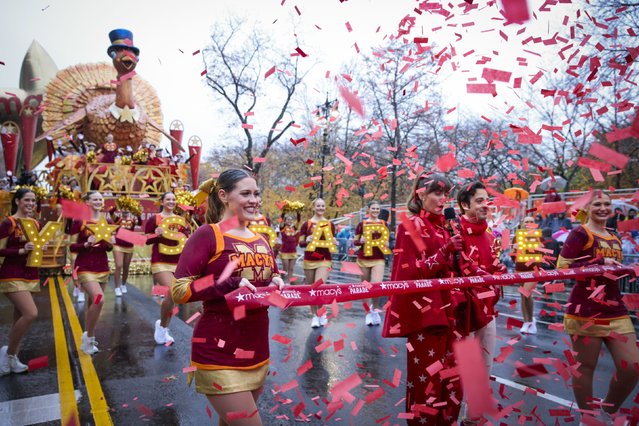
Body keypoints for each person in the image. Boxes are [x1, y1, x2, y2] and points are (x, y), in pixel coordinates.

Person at [171, 169, 284, 426]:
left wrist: (275, 282)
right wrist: (227, 283)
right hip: (218, 352)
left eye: (256, 193)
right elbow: (179, 291)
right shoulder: (208, 235)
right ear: (223, 196)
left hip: (256, 351)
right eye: (245, 193)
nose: (254, 200)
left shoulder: (262, 240)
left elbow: (264, 281)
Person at [381, 173, 463, 425]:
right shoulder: (410, 225)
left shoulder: (445, 225)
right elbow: (411, 273)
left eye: (445, 193)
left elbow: (457, 267)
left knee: (452, 382)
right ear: (420, 195)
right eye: (437, 193)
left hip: (451, 313)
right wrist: (445, 251)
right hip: (427, 317)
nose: (442, 199)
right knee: (427, 382)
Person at [557, 191, 638, 423]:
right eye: (597, 204)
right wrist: (598, 262)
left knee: (632, 367)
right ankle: (587, 418)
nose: (603, 208)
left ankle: (608, 411)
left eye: (606, 204)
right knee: (586, 368)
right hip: (586, 310)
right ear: (587, 208)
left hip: (615, 309)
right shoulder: (579, 232)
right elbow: (563, 267)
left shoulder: (614, 235)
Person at [0, 188, 43, 374]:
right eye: (27, 200)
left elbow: (36, 249)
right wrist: (20, 251)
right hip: (11, 273)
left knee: (20, 317)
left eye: (33, 201)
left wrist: (42, 245)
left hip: (30, 274)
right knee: (31, 313)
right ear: (17, 201)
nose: (31, 204)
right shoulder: (8, 222)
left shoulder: (35, 223)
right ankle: (7, 354)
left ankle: (13, 358)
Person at [68, 191, 115, 355]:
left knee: (92, 304)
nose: (98, 201)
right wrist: (86, 244)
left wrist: (110, 243)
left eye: (100, 199)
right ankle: (87, 338)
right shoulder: (79, 221)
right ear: (87, 202)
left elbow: (107, 248)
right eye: (94, 199)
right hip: (85, 266)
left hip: (102, 267)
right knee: (99, 299)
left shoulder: (106, 221)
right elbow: (72, 246)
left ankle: (90, 335)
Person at [145, 192, 190, 345]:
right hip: (160, 261)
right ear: (162, 202)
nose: (171, 201)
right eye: (168, 199)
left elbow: (186, 238)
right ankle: (163, 328)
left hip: (178, 262)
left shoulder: (181, 220)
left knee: (174, 297)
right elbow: (146, 240)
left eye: (173, 199)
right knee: (172, 292)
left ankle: (163, 327)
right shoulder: (155, 219)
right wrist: (156, 234)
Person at [298, 198, 337, 328]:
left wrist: (335, 242)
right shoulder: (306, 224)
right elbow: (301, 243)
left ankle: (321, 313)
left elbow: (332, 240)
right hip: (310, 259)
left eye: (323, 206)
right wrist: (307, 239)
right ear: (314, 208)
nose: (321, 208)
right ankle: (315, 315)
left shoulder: (330, 224)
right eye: (318, 206)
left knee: (319, 286)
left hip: (324, 259)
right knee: (312, 289)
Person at [353, 200, 389, 326]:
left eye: (377, 209)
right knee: (365, 286)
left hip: (378, 258)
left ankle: (375, 309)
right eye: (373, 208)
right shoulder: (361, 224)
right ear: (368, 209)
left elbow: (388, 241)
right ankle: (367, 312)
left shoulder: (384, 224)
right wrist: (360, 241)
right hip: (364, 258)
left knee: (376, 285)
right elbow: (355, 242)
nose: (375, 211)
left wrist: (387, 244)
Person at [514, 216, 541, 334]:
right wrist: (515, 251)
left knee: (526, 293)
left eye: (532, 221)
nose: (529, 223)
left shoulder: (538, 237)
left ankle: (530, 321)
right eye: (527, 221)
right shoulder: (517, 237)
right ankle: (527, 321)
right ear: (522, 224)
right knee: (523, 295)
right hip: (520, 269)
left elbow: (543, 255)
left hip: (533, 270)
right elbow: (512, 256)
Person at [109, 206, 139, 297]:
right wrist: (120, 205)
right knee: (119, 265)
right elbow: (111, 211)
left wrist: (137, 212)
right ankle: (117, 287)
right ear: (121, 211)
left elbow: (140, 222)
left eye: (127, 209)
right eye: (124, 209)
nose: (125, 211)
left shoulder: (133, 219)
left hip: (129, 246)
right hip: (118, 245)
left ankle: (123, 284)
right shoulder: (117, 219)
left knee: (126, 267)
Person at [278, 213, 300, 283]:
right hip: (284, 251)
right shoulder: (282, 228)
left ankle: (289, 283)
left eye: (291, 220)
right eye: (288, 219)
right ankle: (280, 280)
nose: (289, 221)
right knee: (285, 268)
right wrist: (284, 211)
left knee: (291, 268)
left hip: (293, 251)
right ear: (284, 221)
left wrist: (298, 212)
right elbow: (280, 220)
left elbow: (299, 221)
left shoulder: (294, 228)